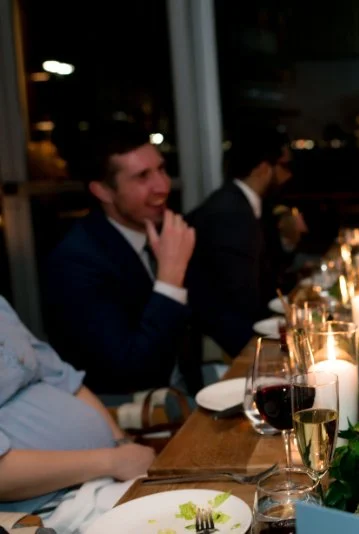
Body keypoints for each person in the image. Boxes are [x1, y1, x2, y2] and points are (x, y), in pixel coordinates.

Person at [45, 120, 199, 398]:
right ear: (103, 191)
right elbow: (135, 373)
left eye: (161, 169)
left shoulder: (166, 229)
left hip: (190, 391)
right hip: (143, 419)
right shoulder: (76, 263)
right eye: (142, 177)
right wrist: (170, 281)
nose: (162, 186)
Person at [0, 296, 154, 528]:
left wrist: (121, 443)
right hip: (48, 509)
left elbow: (63, 378)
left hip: (107, 478)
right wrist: (112, 461)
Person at [187, 127, 293, 357]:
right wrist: (267, 355)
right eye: (285, 166)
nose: (289, 175)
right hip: (221, 342)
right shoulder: (230, 214)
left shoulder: (247, 204)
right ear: (264, 169)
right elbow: (237, 302)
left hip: (238, 327)